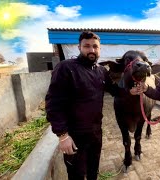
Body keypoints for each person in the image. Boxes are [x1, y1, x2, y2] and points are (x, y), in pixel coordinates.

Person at [45, 31, 125, 180]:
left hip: (96, 133)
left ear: (100, 49)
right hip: (74, 135)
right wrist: (63, 136)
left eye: (95, 46)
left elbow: (115, 90)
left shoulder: (101, 71)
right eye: (87, 46)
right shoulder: (66, 68)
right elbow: (53, 103)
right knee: (77, 175)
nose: (92, 50)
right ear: (79, 47)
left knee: (93, 171)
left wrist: (131, 90)